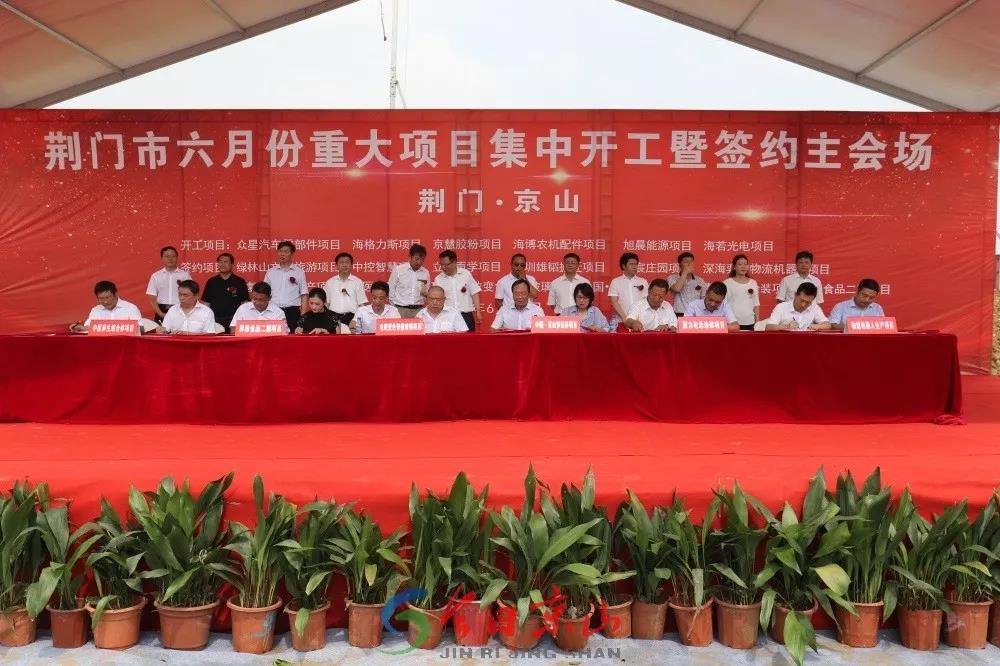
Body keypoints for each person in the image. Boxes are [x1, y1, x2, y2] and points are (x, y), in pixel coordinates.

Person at [262, 240, 308, 332]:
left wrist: (302, 317)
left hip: (292, 312)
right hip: (273, 310)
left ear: (292, 254)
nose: (282, 254)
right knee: (272, 336)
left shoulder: (299, 272)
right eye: (280, 251)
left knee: (292, 338)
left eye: (286, 251)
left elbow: (304, 294)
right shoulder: (271, 272)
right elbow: (264, 292)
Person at [433, 250, 482, 331]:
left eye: (446, 265)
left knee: (469, 338)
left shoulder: (466, 274)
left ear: (454, 262)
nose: (443, 267)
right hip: (447, 317)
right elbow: (435, 298)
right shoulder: (438, 279)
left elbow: (474, 292)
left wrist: (478, 311)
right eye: (441, 265)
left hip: (466, 316)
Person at [202, 253, 249, 333]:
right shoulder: (211, 281)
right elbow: (206, 303)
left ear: (232, 264)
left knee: (234, 341)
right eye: (220, 262)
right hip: (215, 320)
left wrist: (241, 319)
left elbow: (244, 303)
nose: (222, 264)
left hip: (234, 321)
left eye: (226, 262)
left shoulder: (239, 281)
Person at [69, 281, 141, 333]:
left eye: (107, 297)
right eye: (101, 299)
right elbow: (89, 328)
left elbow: (139, 329)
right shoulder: (96, 310)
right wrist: (80, 328)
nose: (105, 302)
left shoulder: (130, 308)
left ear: (116, 295)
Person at [145, 245, 192, 322]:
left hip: (180, 310)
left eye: (173, 256)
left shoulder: (185, 275)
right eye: (167, 256)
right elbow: (152, 297)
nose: (170, 259)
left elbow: (190, 295)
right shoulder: (156, 276)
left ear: (177, 258)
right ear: (162, 258)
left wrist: (185, 311)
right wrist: (160, 313)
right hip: (161, 310)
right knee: (161, 330)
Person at [322, 252, 368, 326]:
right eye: (341, 262)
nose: (344, 265)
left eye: (347, 262)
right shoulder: (330, 282)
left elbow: (362, 304)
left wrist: (357, 320)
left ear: (351, 265)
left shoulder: (357, 282)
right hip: (333, 318)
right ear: (336, 265)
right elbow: (326, 304)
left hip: (352, 318)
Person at [765, 282, 831, 331]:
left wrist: (814, 326)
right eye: (802, 300)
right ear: (795, 295)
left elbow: (827, 325)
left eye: (808, 302)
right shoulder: (781, 307)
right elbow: (769, 327)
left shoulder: (815, 308)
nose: (803, 305)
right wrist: (787, 326)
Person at [389, 243, 431, 318]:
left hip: (418, 310)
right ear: (410, 257)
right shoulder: (398, 270)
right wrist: (395, 307)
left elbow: (426, 292)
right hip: (400, 309)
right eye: (417, 259)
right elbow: (390, 289)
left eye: (422, 259)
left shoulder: (425, 273)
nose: (419, 262)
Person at [608, 252, 648, 330]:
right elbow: (614, 302)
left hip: (640, 322)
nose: (634, 267)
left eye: (636, 264)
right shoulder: (616, 281)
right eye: (631, 264)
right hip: (621, 321)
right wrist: (625, 318)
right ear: (623, 266)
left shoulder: (643, 281)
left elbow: (646, 301)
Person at [723, 254, 760, 331]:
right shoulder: (727, 283)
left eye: (745, 264)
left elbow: (756, 304)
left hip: (750, 322)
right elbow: (724, 304)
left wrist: (757, 321)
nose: (743, 267)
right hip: (732, 323)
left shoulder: (753, 282)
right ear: (734, 267)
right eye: (740, 264)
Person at [666, 252, 707, 316]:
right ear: (680, 265)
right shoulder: (672, 278)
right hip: (679, 314)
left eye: (691, 261)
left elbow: (703, 299)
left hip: (695, 314)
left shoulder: (700, 280)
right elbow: (677, 289)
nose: (689, 264)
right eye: (686, 262)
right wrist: (685, 272)